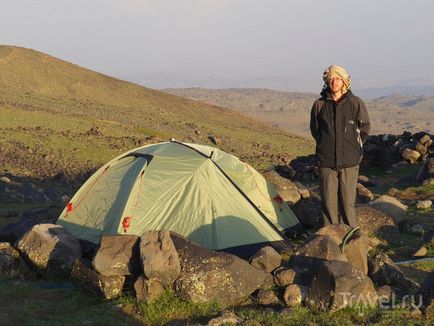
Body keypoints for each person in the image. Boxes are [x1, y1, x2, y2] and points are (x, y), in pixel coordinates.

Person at [310, 64, 370, 228]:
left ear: (344, 81)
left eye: (337, 79)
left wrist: (354, 148)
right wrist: (325, 145)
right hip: (326, 160)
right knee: (328, 202)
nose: (334, 82)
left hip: (349, 161)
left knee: (347, 202)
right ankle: (330, 239)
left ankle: (350, 238)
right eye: (331, 79)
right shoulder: (319, 105)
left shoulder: (355, 103)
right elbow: (316, 130)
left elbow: (364, 128)